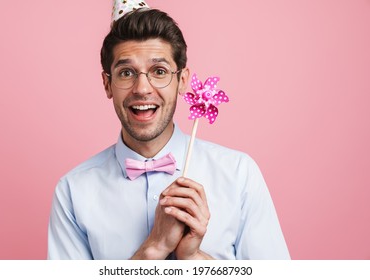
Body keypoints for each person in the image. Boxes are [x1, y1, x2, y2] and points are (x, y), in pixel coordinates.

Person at [48, 0, 290, 260]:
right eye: (126, 72)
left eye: (159, 71)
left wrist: (192, 257)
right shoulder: (73, 192)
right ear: (107, 84)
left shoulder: (239, 174)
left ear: (181, 80)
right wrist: (155, 247)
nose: (142, 88)